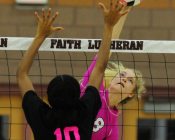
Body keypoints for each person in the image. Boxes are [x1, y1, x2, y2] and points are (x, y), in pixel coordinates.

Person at [16, 1, 128, 140]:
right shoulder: (85, 112)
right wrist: (109, 25)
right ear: (77, 96)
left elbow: (21, 75)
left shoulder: (41, 117)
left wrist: (40, 36)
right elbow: (99, 69)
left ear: (49, 98)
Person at [80, 0, 146, 140]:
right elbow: (107, 49)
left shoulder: (113, 123)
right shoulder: (93, 89)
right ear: (112, 79)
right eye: (122, 75)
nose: (124, 79)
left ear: (130, 94)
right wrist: (126, 6)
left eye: (130, 81)